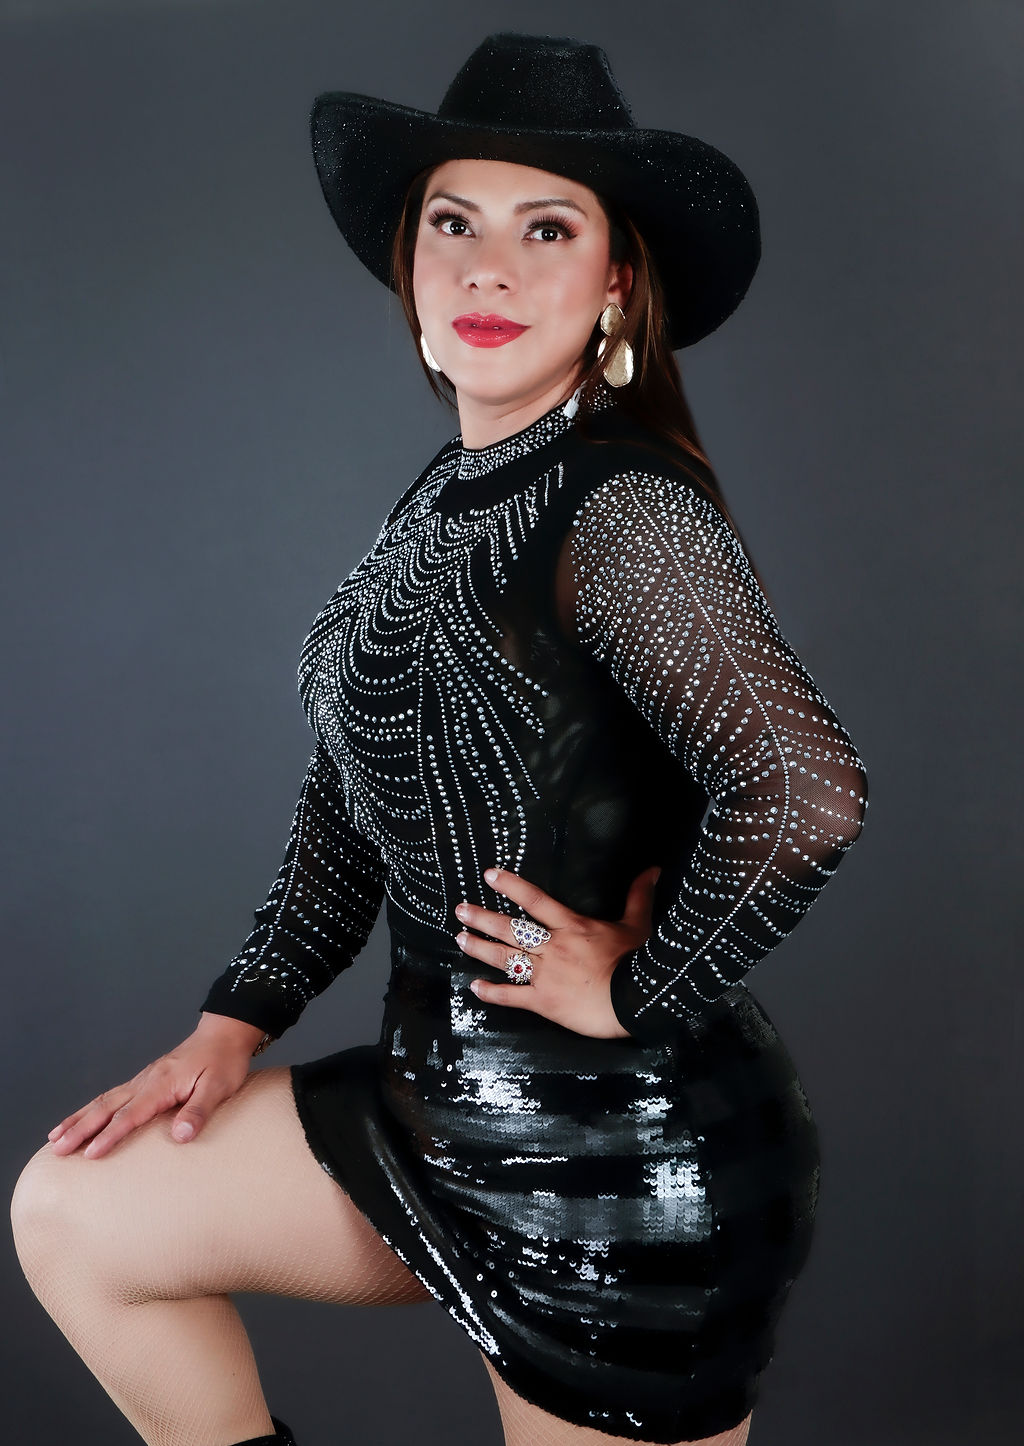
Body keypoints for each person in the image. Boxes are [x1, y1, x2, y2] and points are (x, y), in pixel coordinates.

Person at [10, 31, 869, 1446]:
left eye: (549, 229)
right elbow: (356, 797)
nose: (489, 270)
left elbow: (804, 791)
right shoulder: (450, 489)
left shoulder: (623, 505)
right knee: (79, 1213)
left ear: (618, 281)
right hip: (430, 1110)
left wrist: (635, 991)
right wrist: (234, 1024)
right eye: (452, 226)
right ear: (408, 264)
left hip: (614, 1170)